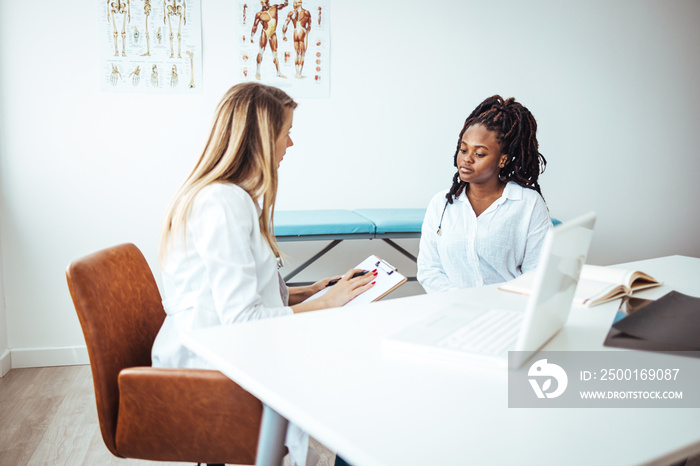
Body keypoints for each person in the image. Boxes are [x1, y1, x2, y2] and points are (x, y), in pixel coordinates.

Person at [151, 82, 376, 466]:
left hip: (215, 347)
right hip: (213, 366)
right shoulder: (223, 203)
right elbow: (242, 320)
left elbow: (239, 294)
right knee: (359, 378)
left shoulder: (226, 197)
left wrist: (310, 291)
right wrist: (327, 304)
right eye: (286, 132)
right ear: (261, 138)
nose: (291, 144)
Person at [417, 95, 551, 294]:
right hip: (452, 309)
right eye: (463, 150)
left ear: (502, 160)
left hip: (507, 311)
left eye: (479, 154)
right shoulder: (441, 204)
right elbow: (429, 270)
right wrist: (463, 301)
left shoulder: (528, 204)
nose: (467, 159)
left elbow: (536, 273)